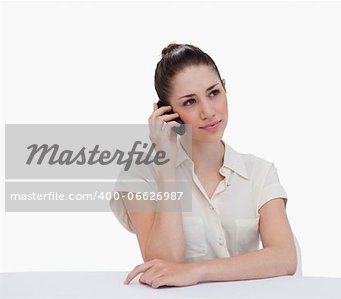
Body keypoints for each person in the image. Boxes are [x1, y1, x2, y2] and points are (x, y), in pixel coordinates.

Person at [110, 43, 297, 288]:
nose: (208, 112)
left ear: (225, 88)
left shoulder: (259, 173)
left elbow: (284, 257)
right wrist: (166, 165)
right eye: (189, 102)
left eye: (214, 93)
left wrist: (196, 271)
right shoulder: (140, 176)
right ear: (167, 112)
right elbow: (163, 264)